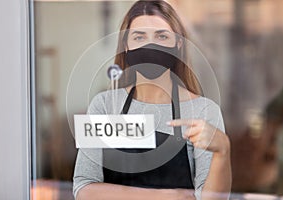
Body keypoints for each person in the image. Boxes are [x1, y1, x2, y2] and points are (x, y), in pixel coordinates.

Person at [73, 1, 231, 199]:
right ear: (126, 45)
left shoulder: (203, 111)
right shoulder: (104, 106)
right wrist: (170, 197)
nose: (150, 46)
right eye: (139, 37)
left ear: (178, 43)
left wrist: (222, 150)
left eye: (161, 36)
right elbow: (84, 189)